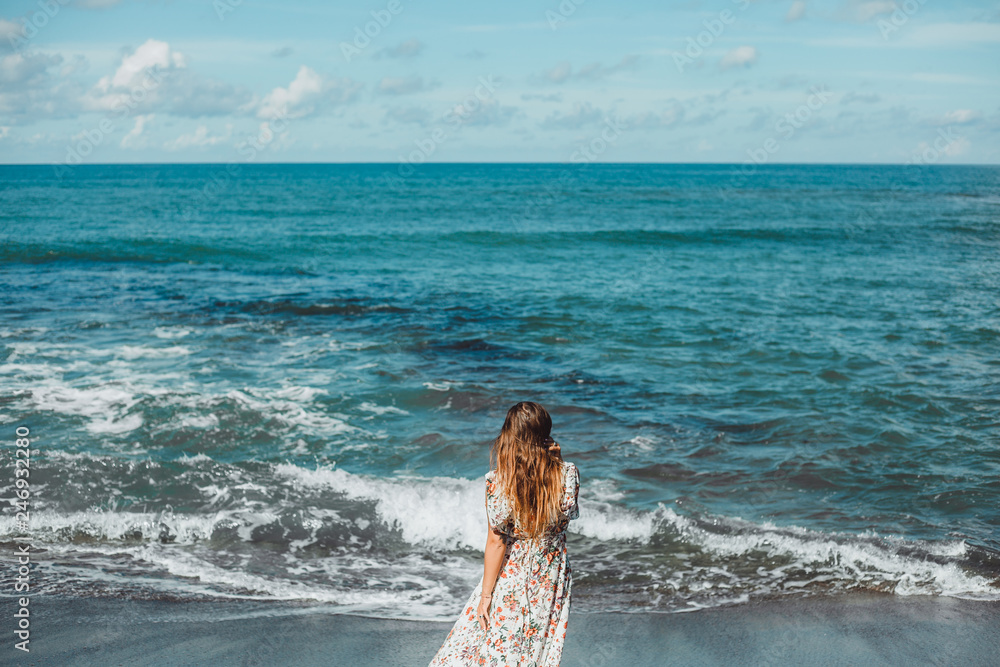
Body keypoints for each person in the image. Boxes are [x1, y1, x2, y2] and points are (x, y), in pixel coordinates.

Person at [429, 401, 581, 667]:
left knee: (490, 644)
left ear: (510, 435)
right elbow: (569, 512)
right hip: (551, 574)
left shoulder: (499, 481)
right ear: (545, 435)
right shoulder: (568, 474)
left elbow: (497, 541)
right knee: (536, 649)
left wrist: (486, 596)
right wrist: (558, 461)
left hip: (513, 572)